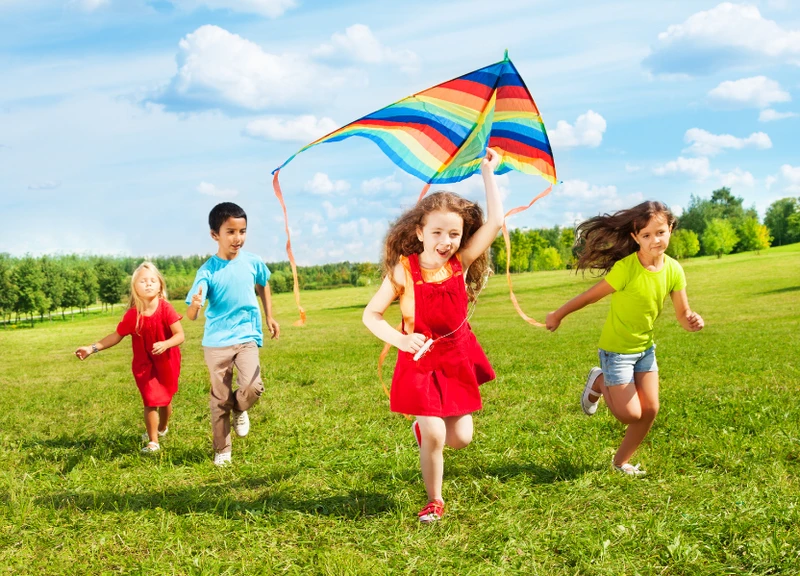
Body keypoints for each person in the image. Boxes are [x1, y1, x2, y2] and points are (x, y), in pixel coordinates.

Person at [362, 148, 503, 523]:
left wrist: (488, 172)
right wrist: (400, 339)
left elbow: (495, 223)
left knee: (461, 439)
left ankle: (421, 432)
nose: (446, 239)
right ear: (420, 232)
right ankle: (434, 501)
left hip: (457, 358)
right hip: (420, 362)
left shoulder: (461, 263)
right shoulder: (403, 271)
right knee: (437, 436)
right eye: (437, 231)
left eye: (454, 233)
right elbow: (371, 315)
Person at [546, 201, 704, 476]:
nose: (655, 240)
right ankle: (599, 379)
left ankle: (620, 462)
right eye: (646, 235)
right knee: (629, 414)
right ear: (635, 238)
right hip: (617, 352)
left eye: (660, 232)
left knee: (650, 409)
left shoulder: (674, 269)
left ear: (671, 229)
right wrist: (558, 314)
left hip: (645, 350)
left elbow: (682, 312)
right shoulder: (626, 268)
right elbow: (590, 296)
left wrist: (691, 320)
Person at [186, 202, 280, 467]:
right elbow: (192, 315)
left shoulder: (253, 262)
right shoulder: (207, 271)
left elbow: (263, 284)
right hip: (216, 343)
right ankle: (222, 449)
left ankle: (240, 408)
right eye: (230, 231)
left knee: (252, 386)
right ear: (215, 235)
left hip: (247, 336)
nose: (237, 238)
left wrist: (269, 315)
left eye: (242, 231)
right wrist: (194, 305)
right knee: (220, 399)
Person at [75, 262, 184, 454]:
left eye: (152, 280)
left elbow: (180, 335)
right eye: (143, 281)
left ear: (160, 285)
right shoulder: (133, 315)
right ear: (135, 288)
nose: (148, 284)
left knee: (165, 400)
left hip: (167, 361)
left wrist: (165, 344)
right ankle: (153, 441)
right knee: (150, 400)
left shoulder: (166, 309)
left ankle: (162, 428)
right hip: (144, 364)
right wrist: (92, 348)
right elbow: (116, 336)